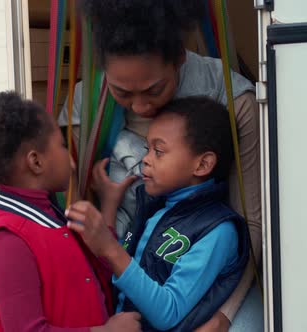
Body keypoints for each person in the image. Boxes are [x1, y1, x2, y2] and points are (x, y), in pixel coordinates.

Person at [57, 1, 262, 330]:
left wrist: (223, 316)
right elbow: (78, 205)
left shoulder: (232, 101)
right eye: (122, 92)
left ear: (180, 56)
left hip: (214, 275)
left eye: (154, 90)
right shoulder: (87, 106)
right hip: (127, 272)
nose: (140, 106)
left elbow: (251, 223)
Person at [0, 91, 141, 332]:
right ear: (36, 162)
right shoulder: (8, 240)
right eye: (62, 146)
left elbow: (96, 265)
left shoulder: (49, 215)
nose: (72, 159)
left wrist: (108, 204)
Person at [66, 97, 250, 331]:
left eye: (158, 151)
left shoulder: (218, 231)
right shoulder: (155, 207)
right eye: (147, 149)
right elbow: (121, 266)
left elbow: (168, 311)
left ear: (202, 165)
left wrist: (109, 248)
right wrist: (110, 206)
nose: (145, 159)